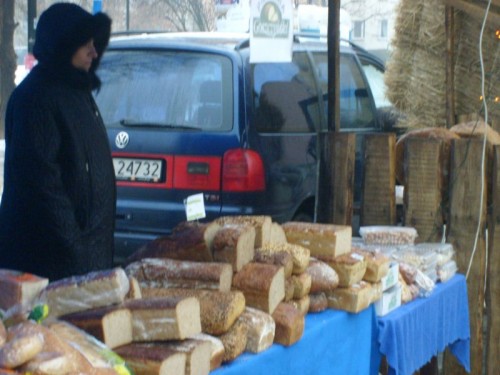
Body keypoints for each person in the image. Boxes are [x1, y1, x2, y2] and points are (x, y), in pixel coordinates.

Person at [0, 3, 116, 281]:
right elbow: (42, 187)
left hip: (83, 260)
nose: (94, 51)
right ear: (63, 45)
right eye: (85, 44)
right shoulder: (36, 99)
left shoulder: (77, 92)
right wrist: (76, 250)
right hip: (50, 264)